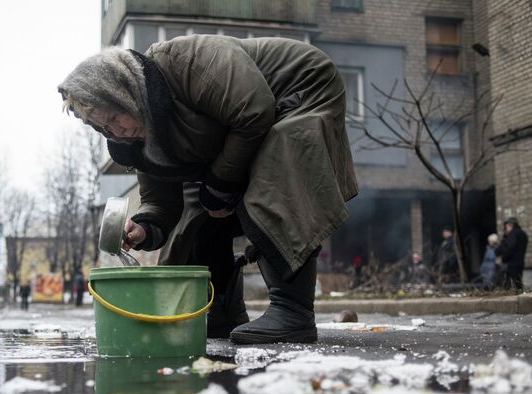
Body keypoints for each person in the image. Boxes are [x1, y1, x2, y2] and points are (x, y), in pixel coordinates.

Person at [59, 35, 357, 343]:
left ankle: (293, 312)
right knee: (196, 215)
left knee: (271, 176)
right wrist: (145, 228)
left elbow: (253, 109)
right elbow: (161, 200)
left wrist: (220, 184)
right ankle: (222, 313)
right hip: (243, 128)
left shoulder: (185, 60)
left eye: (114, 117)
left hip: (299, 88)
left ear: (124, 92)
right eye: (104, 128)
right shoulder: (139, 142)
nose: (116, 131)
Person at [495, 217, 528, 291]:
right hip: (519, 263)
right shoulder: (523, 234)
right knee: (518, 284)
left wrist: (502, 258)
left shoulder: (513, 234)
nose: (505, 229)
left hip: (511, 264)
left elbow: (510, 248)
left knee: (510, 286)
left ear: (510, 225)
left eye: (506, 227)